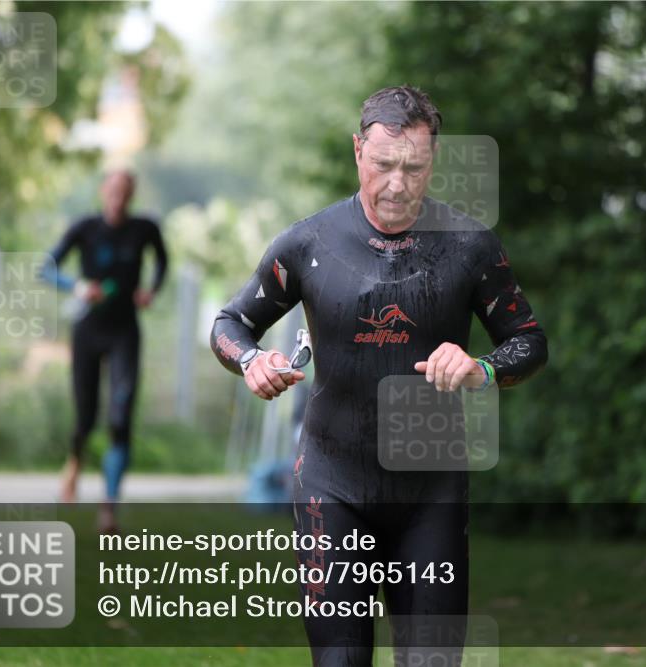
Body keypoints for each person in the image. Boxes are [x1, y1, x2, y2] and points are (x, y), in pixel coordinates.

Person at [210, 86, 546, 665]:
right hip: (331, 487)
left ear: (432, 161)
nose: (398, 184)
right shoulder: (308, 243)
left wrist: (480, 368)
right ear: (358, 153)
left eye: (414, 168)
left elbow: (530, 342)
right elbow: (231, 321)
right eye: (385, 164)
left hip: (430, 494)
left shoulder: (470, 246)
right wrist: (251, 361)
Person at [45, 169, 168, 531]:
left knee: (121, 414)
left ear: (131, 195)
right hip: (87, 329)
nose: (118, 198)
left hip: (124, 331)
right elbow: (46, 267)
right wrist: (78, 286)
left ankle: (109, 505)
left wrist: (151, 290)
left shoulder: (145, 228)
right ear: (103, 192)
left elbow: (162, 261)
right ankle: (74, 461)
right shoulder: (84, 227)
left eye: (125, 192)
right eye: (112, 190)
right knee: (86, 415)